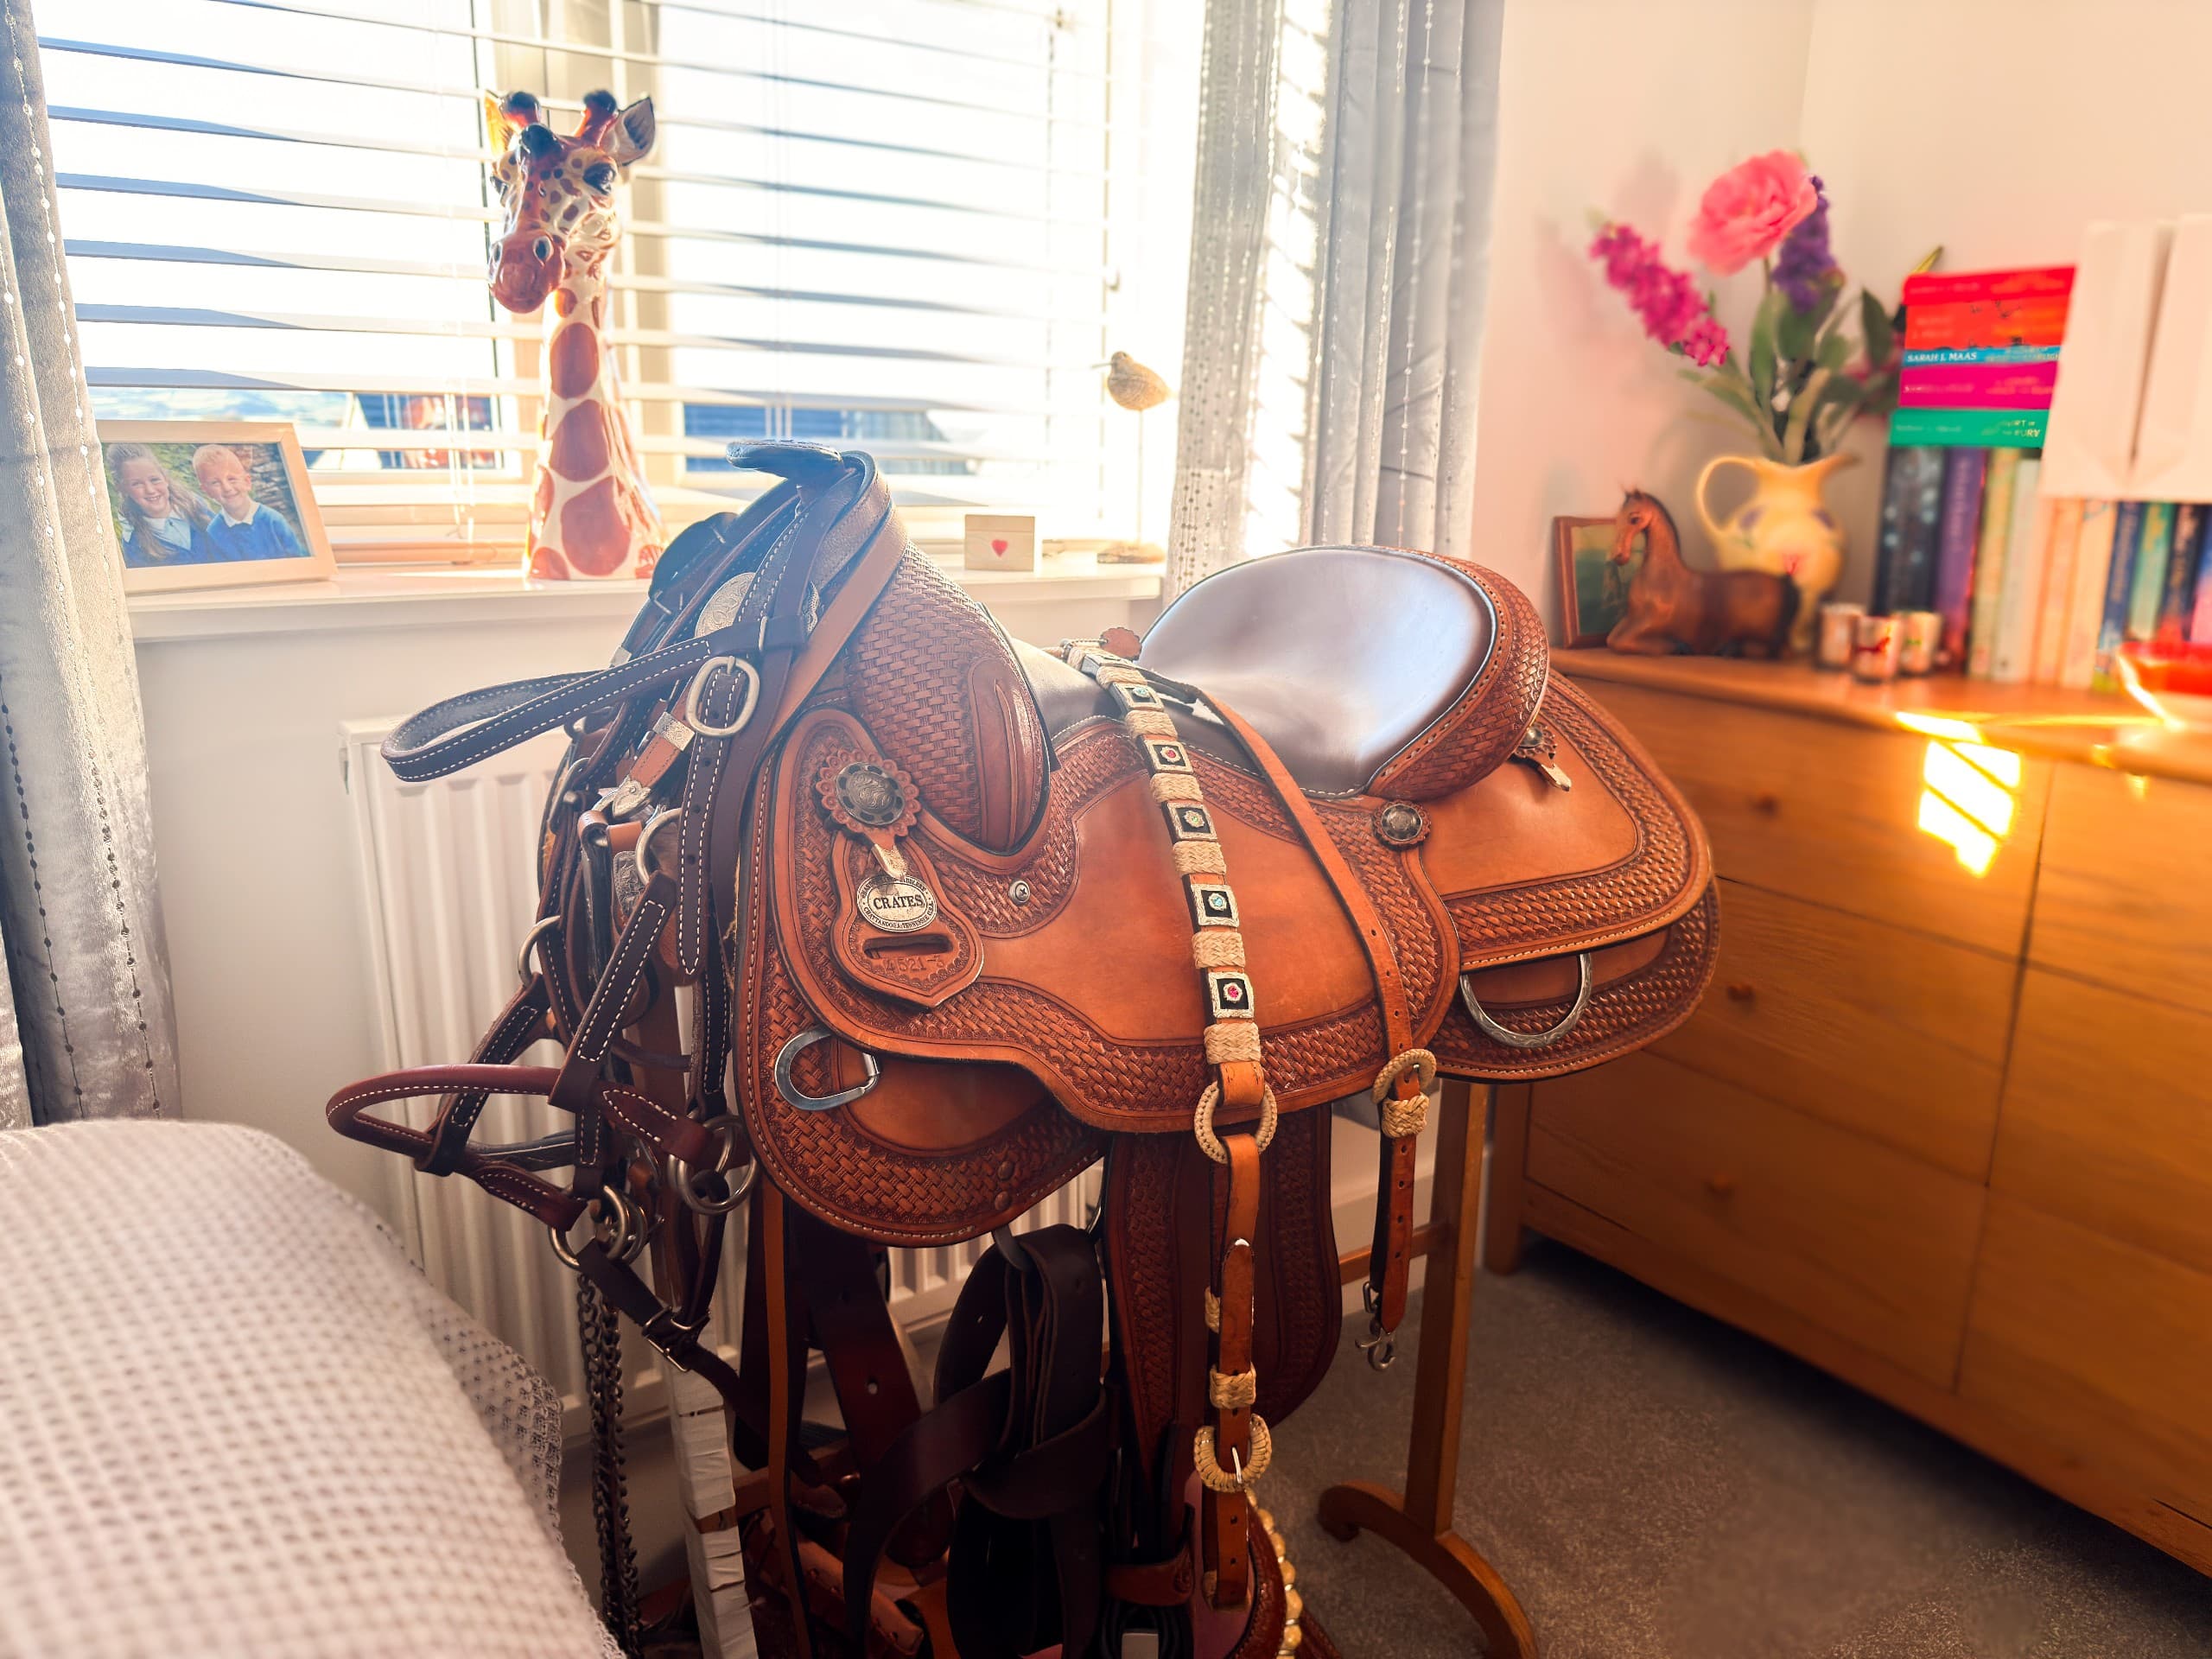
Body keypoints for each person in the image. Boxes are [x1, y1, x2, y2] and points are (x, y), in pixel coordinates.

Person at [109, 443, 222, 566]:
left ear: (165, 478)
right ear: (122, 489)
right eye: (137, 484)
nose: (150, 490)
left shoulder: (195, 505)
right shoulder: (135, 543)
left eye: (154, 480)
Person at [194, 444, 308, 562]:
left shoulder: (272, 520)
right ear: (206, 491)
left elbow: (299, 561)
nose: (227, 488)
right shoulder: (214, 532)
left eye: (231, 479)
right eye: (215, 483)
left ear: (247, 482)